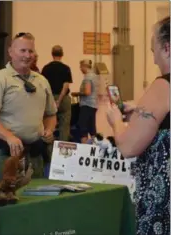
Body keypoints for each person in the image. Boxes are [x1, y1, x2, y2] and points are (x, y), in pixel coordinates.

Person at [106, 16, 170, 235]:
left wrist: (116, 121)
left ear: (167, 48)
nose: (154, 61)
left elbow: (128, 146)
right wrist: (142, 110)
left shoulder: (164, 85)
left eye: (154, 52)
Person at [0, 32, 57, 180]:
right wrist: (9, 137)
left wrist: (49, 129)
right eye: (22, 50)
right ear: (11, 52)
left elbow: (51, 114)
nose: (27, 55)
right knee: (3, 197)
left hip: (35, 155)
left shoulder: (42, 81)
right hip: (6, 154)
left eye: (30, 51)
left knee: (36, 199)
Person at [42, 45, 73, 141]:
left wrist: (51, 99)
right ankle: (63, 151)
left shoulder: (46, 68)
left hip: (49, 98)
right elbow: (66, 86)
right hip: (63, 99)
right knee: (65, 125)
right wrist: (59, 100)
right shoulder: (66, 68)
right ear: (62, 54)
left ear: (52, 54)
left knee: (48, 125)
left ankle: (49, 149)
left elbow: (44, 86)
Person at [72, 59, 98, 143]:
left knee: (82, 127)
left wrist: (77, 93)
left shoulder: (87, 77)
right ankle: (96, 146)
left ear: (84, 66)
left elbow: (87, 92)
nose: (80, 69)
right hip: (93, 105)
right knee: (92, 129)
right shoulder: (94, 76)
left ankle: (84, 148)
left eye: (80, 67)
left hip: (86, 105)